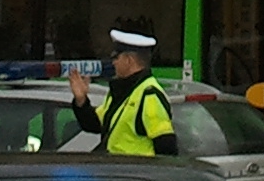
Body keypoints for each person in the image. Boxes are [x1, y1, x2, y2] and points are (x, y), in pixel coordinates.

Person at [67, 21, 180, 156]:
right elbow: (94, 124)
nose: (113, 62)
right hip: (117, 172)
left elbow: (166, 146)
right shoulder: (120, 91)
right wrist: (81, 100)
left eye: (116, 57)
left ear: (129, 60)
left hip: (135, 174)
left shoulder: (149, 94)